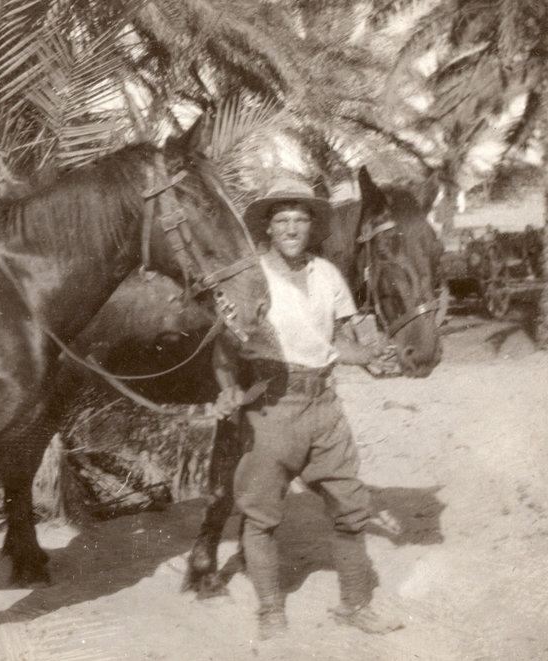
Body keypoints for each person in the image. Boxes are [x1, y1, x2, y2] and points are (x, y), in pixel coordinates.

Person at [219, 177, 403, 640]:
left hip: (325, 404)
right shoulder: (248, 278)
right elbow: (222, 347)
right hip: (273, 405)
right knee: (261, 516)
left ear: (312, 226)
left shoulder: (327, 275)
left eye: (301, 220)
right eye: (282, 220)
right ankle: (271, 614)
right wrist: (225, 389)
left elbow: (337, 340)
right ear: (268, 227)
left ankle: (355, 605)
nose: (292, 229)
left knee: (351, 509)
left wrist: (369, 357)